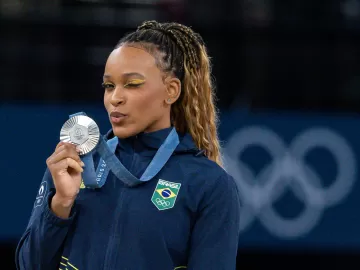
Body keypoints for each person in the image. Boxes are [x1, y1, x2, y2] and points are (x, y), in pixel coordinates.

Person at [15, 20, 241, 270]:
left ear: (171, 90)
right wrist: (60, 205)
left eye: (132, 84)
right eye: (109, 86)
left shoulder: (208, 184)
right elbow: (29, 265)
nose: (115, 98)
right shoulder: (74, 165)